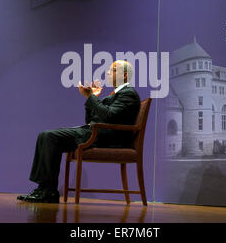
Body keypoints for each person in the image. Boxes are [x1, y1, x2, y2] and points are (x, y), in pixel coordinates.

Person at [17, 60, 141, 203]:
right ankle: (44, 189)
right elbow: (91, 119)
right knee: (45, 136)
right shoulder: (116, 94)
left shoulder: (128, 93)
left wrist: (91, 97)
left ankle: (48, 191)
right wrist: (92, 99)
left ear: (124, 75)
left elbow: (109, 116)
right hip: (96, 132)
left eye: (112, 70)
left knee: (49, 137)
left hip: (106, 137)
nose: (107, 72)